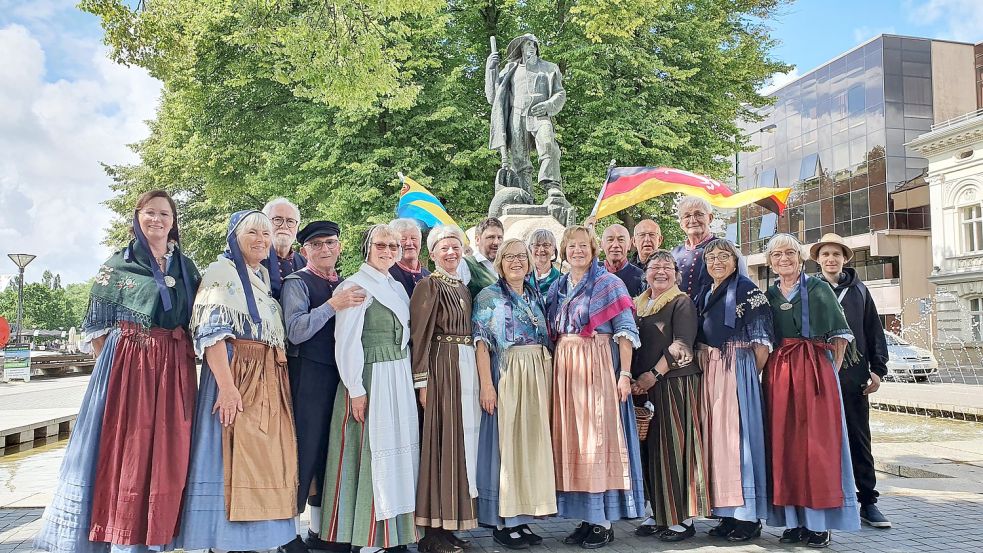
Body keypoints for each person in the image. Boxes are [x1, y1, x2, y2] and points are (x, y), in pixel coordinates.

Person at [35, 190, 200, 553]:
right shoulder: (117, 264)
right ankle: (119, 534)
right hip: (131, 365)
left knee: (170, 444)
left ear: (173, 223)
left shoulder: (186, 267)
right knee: (128, 444)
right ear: (137, 217)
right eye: (150, 213)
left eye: (165, 215)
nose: (157, 220)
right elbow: (97, 329)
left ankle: (157, 534)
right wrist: (119, 365)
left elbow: (197, 317)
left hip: (173, 364)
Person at [172, 210, 302, 553]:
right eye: (252, 233)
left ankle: (259, 540)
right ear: (234, 237)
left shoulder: (260, 277)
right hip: (237, 375)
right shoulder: (222, 273)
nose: (261, 239)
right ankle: (226, 541)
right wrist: (227, 389)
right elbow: (212, 334)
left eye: (265, 233)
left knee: (263, 459)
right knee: (231, 456)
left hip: (266, 375)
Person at [320, 224, 420, 549]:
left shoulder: (395, 285)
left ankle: (395, 535)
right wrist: (355, 388)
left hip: (398, 374)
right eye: (381, 244)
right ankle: (369, 538)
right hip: (371, 377)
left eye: (394, 246)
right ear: (368, 247)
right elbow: (346, 341)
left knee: (398, 454)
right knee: (371, 453)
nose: (388, 251)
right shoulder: (356, 286)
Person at [545, 225, 645, 549]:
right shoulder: (558, 287)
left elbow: (625, 331)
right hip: (567, 370)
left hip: (597, 366)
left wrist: (625, 374)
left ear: (593, 250)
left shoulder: (609, 284)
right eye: (571, 246)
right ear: (564, 250)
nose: (577, 251)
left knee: (597, 440)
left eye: (583, 246)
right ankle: (586, 519)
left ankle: (603, 522)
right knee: (574, 441)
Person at [763, 233, 860, 548]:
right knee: (785, 445)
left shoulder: (819, 289)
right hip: (781, 373)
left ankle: (819, 523)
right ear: (770, 262)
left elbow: (840, 337)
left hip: (814, 370)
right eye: (777, 255)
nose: (783, 259)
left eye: (789, 253)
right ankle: (794, 521)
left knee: (817, 447)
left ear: (800, 257)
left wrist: (828, 372)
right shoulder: (769, 294)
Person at [281, 220, 367, 550]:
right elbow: (297, 330)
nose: (325, 249)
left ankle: (324, 530)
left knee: (333, 453)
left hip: (340, 375)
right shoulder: (297, 283)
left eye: (330, 242)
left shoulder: (347, 283)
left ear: (340, 246)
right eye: (316, 245)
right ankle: (287, 533)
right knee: (304, 451)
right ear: (305, 251)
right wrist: (332, 305)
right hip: (309, 376)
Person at [473, 238, 556, 549]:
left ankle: (522, 517)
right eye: (510, 257)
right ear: (500, 263)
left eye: (522, 256)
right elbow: (482, 345)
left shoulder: (535, 293)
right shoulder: (489, 297)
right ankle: (502, 522)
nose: (517, 262)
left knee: (530, 448)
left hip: (536, 371)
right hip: (508, 371)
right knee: (507, 448)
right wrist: (486, 385)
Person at [694, 239, 773, 542]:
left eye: (723, 256)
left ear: (734, 259)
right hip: (713, 370)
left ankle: (748, 517)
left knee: (739, 442)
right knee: (718, 442)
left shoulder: (748, 289)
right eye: (711, 257)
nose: (716, 261)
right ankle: (727, 513)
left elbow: (762, 343)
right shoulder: (705, 292)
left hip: (738, 368)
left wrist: (747, 375)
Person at [811, 233, 891, 529]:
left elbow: (873, 331)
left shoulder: (859, 290)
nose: (831, 259)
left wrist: (877, 370)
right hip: (817, 372)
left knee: (858, 436)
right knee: (820, 438)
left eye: (836, 254)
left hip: (853, 374)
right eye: (825, 254)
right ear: (817, 260)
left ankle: (868, 502)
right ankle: (825, 499)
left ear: (845, 258)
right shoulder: (810, 288)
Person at [630, 250, 709, 543]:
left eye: (667, 267)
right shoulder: (637, 304)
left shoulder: (681, 302)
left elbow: (682, 344)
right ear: (646, 272)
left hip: (672, 383)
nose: (660, 271)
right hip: (643, 386)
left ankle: (682, 517)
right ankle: (657, 511)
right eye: (654, 267)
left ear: (676, 273)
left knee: (674, 449)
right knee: (649, 451)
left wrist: (654, 374)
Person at [412, 225, 482, 553]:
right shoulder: (429, 285)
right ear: (433, 254)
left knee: (462, 445)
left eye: (456, 247)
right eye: (444, 249)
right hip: (442, 368)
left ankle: (452, 523)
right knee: (443, 443)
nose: (451, 253)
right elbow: (421, 336)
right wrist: (422, 381)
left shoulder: (463, 288)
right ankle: (433, 532)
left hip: (465, 367)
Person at [485, 34, 566, 194]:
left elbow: (560, 93)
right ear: (520, 47)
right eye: (527, 44)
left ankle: (552, 185)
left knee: (548, 144)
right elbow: (493, 97)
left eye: (534, 45)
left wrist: (548, 105)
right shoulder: (509, 69)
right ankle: (524, 194)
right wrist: (491, 69)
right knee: (519, 158)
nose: (531, 47)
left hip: (540, 114)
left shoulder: (549, 68)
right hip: (516, 115)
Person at [671, 198, 715, 301]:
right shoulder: (674, 253)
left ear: (710, 218)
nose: (693, 220)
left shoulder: (724, 248)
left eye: (699, 214)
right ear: (681, 223)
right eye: (687, 216)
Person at [263, 197, 307, 299]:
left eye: (290, 221)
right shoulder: (254, 260)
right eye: (277, 220)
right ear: (265, 223)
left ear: (297, 227)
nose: (284, 226)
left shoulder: (304, 264)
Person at [459, 217, 503, 298]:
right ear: (477, 239)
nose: (496, 242)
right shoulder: (465, 264)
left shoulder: (504, 266)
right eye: (491, 237)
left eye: (499, 237)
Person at [390, 218, 431, 297]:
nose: (409, 243)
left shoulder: (430, 277)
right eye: (403, 239)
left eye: (413, 238)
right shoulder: (388, 275)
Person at [601, 224, 644, 297]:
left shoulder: (640, 277)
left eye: (621, 240)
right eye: (610, 240)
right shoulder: (593, 273)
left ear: (629, 244)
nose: (615, 245)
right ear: (602, 244)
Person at [527, 228, 561, 295]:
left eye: (546, 245)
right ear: (530, 249)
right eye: (536, 245)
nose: (541, 249)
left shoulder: (560, 280)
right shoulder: (522, 277)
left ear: (553, 250)